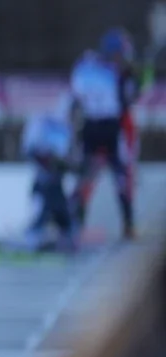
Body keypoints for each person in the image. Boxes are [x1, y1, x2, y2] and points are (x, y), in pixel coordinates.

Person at [71, 29, 143, 241]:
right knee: (99, 177)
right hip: (104, 127)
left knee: (112, 176)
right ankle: (78, 223)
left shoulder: (88, 65)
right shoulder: (109, 71)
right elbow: (128, 97)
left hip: (98, 127)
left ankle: (80, 223)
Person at [20, 111, 76, 253]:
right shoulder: (42, 125)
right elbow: (30, 151)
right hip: (45, 186)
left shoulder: (64, 130)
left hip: (55, 188)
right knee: (41, 216)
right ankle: (32, 241)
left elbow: (69, 161)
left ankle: (62, 241)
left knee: (64, 219)